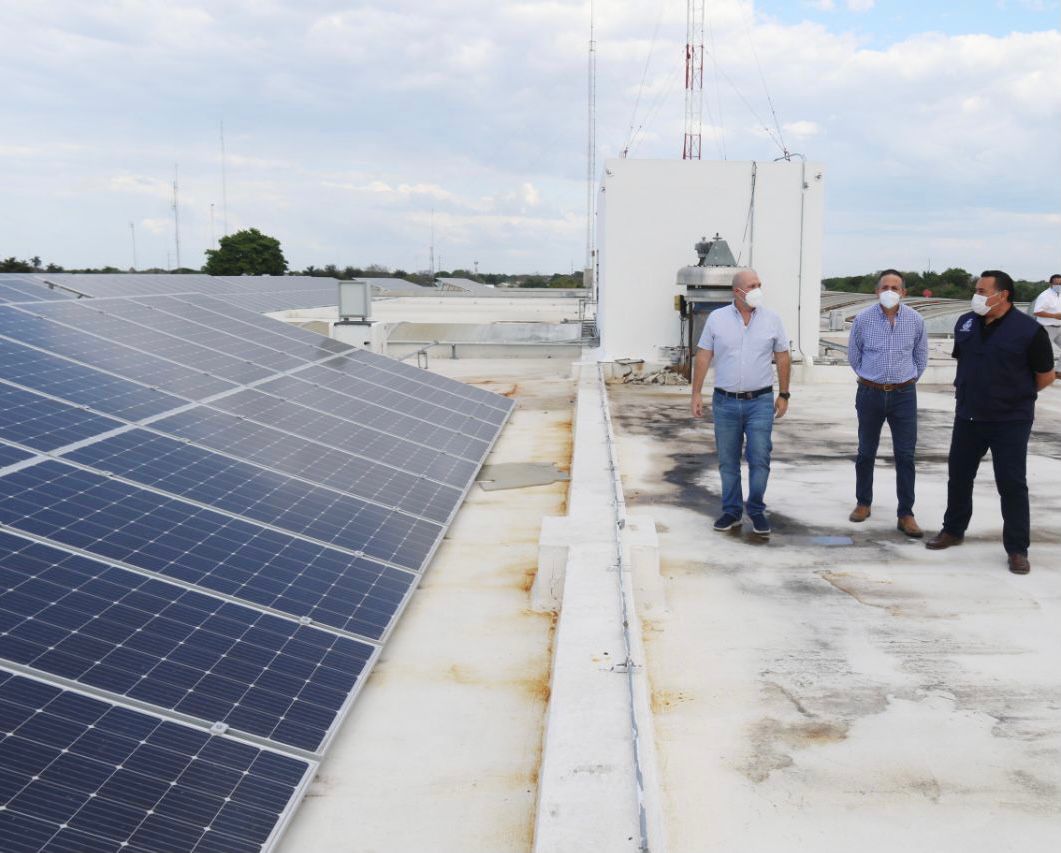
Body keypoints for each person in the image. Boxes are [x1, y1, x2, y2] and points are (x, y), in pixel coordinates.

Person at [926, 270, 1056, 574]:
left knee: (1011, 484)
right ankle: (953, 530)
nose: (978, 296)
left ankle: (1017, 550)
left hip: (1010, 420)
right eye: (977, 290)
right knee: (959, 476)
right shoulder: (966, 323)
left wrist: (1014, 395)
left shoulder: (1028, 331)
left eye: (983, 291)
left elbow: (1046, 376)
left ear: (1003, 295)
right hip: (968, 415)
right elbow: (967, 362)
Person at [690, 268, 791, 537]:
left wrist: (784, 393)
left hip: (760, 401)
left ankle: (756, 509)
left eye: (759, 283)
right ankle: (732, 511)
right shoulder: (717, 319)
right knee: (728, 461)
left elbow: (782, 356)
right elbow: (703, 355)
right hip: (725, 402)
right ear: (737, 292)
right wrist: (696, 393)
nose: (758, 288)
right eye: (752, 285)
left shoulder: (772, 319)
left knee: (760, 458)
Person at [847, 269, 928, 537]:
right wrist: (872, 378)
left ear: (904, 292)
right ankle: (863, 503)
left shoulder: (916, 320)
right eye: (885, 287)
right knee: (865, 452)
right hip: (870, 393)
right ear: (876, 291)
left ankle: (906, 513)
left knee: (905, 455)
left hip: (903, 394)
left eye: (895, 287)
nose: (890, 292)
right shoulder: (863, 319)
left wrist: (906, 380)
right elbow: (854, 356)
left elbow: (921, 357)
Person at [1031, 273, 1061, 374]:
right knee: (1042, 352)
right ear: (1050, 283)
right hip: (1046, 328)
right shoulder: (1045, 296)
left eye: (1060, 283)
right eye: (1056, 284)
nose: (1058, 286)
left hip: (1059, 327)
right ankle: (1036, 372)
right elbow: (1037, 312)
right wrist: (1054, 316)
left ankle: (1058, 371)